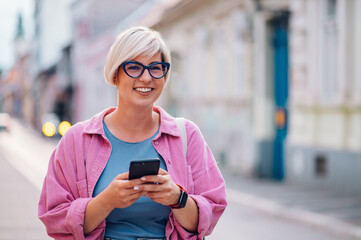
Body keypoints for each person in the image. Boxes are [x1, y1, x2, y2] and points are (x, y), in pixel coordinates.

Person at [38, 26, 227, 240]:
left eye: (156, 68)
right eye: (134, 67)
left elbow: (208, 219)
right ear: (115, 74)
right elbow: (54, 219)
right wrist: (107, 200)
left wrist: (177, 197)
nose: (146, 78)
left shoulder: (187, 135)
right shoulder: (77, 139)